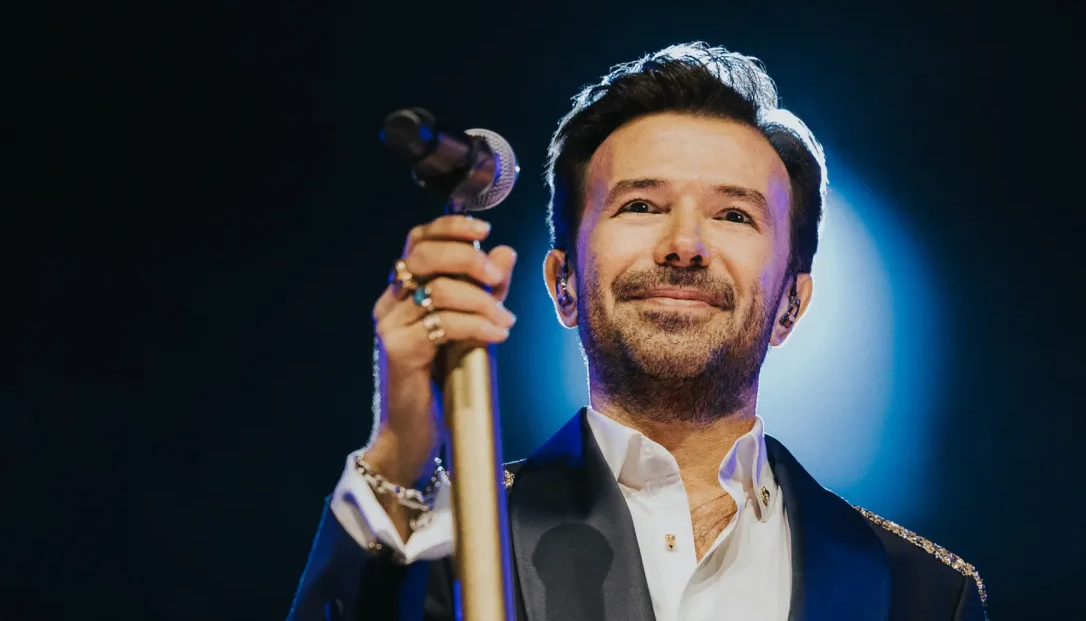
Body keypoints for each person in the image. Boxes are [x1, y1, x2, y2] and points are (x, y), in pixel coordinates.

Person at [287, 42, 988, 621]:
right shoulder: (448, 544)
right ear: (563, 283)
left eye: (734, 215)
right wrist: (399, 453)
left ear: (791, 304)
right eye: (642, 205)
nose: (684, 244)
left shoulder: (923, 593)